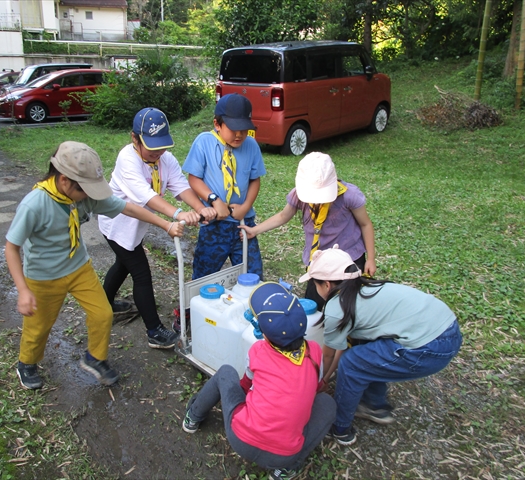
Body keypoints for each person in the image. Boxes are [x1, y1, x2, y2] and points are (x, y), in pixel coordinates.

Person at [5, 141, 184, 390]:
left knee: (103, 313)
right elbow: (11, 247)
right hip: (44, 277)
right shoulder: (34, 204)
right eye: (85, 190)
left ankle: (95, 358)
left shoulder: (83, 197)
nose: (90, 196)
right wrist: (23, 290)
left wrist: (166, 224)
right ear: (65, 180)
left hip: (79, 268)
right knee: (39, 326)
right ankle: (27, 363)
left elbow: (127, 208)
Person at [299, 245, 463, 446]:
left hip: (429, 347)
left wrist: (321, 380)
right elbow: (341, 346)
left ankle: (341, 428)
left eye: (315, 284)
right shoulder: (366, 287)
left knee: (351, 364)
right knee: (365, 354)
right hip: (448, 326)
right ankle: (373, 405)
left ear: (325, 284)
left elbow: (329, 355)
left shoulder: (336, 308)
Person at [182, 282, 335, 480]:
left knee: (226, 372)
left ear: (263, 333)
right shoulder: (314, 351)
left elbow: (246, 384)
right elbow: (316, 387)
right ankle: (287, 469)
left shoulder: (257, 351)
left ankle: (193, 416)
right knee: (328, 404)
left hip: (241, 438)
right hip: (284, 455)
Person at [98, 107, 217, 349]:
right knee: (141, 273)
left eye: (162, 145)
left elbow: (180, 186)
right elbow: (146, 196)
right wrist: (175, 215)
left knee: (122, 266)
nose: (158, 152)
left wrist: (200, 208)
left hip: (136, 227)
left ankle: (104, 304)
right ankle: (154, 331)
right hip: (117, 225)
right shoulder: (127, 159)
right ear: (135, 138)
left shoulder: (165, 159)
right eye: (152, 146)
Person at [239, 152, 376, 310]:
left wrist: (371, 259)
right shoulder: (298, 196)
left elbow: (366, 224)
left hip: (348, 260)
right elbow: (283, 216)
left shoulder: (349, 196)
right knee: (313, 306)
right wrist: (255, 230)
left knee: (347, 307)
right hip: (318, 261)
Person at [182, 93, 267, 280]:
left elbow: (255, 179)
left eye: (244, 129)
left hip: (243, 224)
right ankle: (193, 308)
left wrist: (245, 208)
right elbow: (194, 178)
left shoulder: (251, 145)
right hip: (214, 225)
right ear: (217, 124)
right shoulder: (204, 142)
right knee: (204, 276)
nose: (239, 134)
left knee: (253, 275)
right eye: (234, 129)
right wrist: (214, 200)